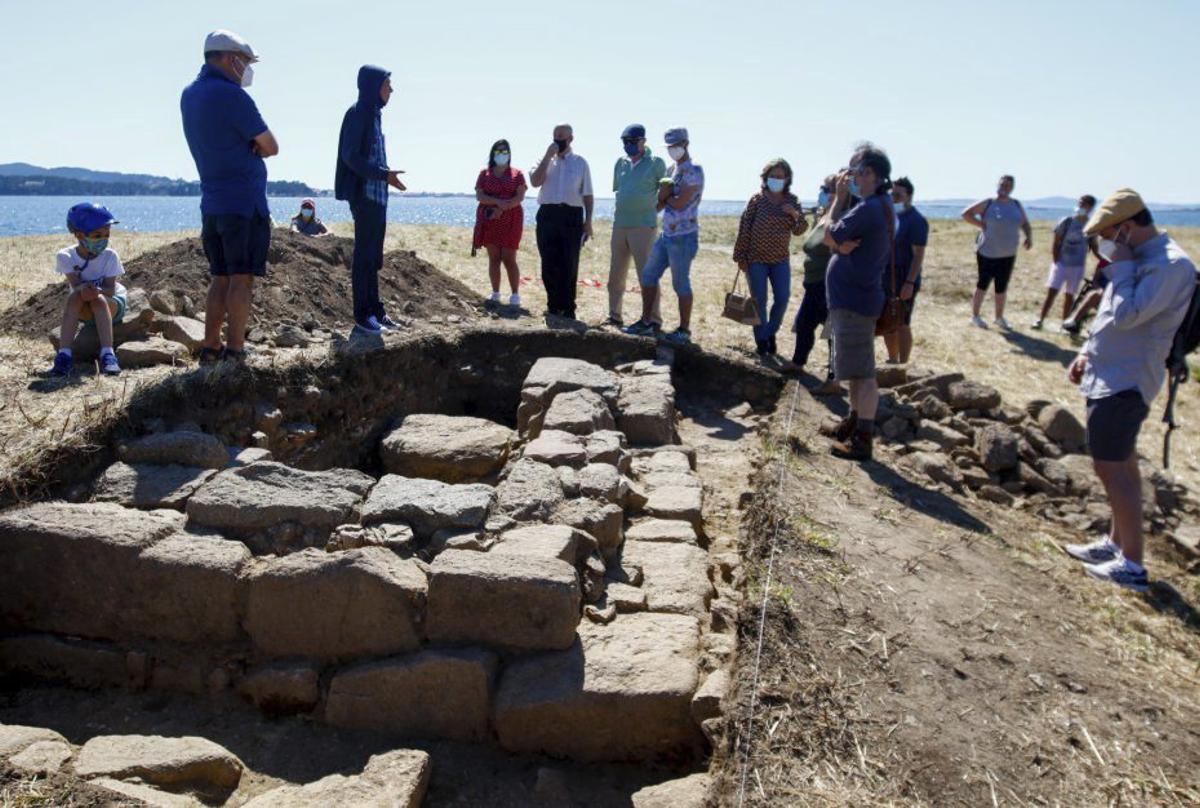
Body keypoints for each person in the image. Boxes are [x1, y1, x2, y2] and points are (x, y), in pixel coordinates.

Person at [1063, 189, 1196, 592]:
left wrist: (1119, 269)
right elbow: (1108, 313)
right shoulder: (1136, 260)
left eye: (1106, 234)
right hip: (1108, 372)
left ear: (1125, 228)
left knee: (1110, 467)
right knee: (1121, 464)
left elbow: (1129, 315)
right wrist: (1086, 351)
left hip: (1128, 379)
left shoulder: (1171, 266)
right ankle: (1115, 543)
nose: (1101, 245)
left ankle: (1133, 566)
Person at [181, 29, 279, 364]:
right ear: (229, 58)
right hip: (243, 202)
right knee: (241, 277)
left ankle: (211, 347)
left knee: (219, 276)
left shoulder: (190, 94)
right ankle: (236, 348)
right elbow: (271, 145)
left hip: (212, 202)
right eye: (245, 62)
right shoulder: (233, 96)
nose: (247, 69)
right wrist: (253, 146)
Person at [822, 142, 895, 461]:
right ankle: (852, 424)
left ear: (873, 174)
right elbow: (836, 240)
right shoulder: (877, 205)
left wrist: (837, 201)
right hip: (854, 299)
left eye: (856, 172)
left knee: (863, 373)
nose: (851, 177)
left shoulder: (869, 208)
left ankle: (863, 440)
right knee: (854, 370)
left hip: (855, 301)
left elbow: (829, 235)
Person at [335, 64, 406, 335]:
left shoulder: (374, 114)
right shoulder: (358, 113)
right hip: (364, 194)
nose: (391, 90)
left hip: (378, 195)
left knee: (374, 256)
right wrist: (383, 174)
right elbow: (350, 156)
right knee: (364, 255)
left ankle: (376, 311)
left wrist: (386, 179)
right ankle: (362, 316)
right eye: (388, 84)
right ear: (373, 86)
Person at [625, 127, 704, 345]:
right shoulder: (670, 171)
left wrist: (666, 196)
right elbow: (658, 205)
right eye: (669, 146)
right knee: (648, 276)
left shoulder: (694, 170)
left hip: (684, 236)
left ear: (685, 144)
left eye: (675, 146)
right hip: (666, 234)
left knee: (680, 283)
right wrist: (665, 197)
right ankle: (646, 321)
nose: (672, 150)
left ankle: (684, 330)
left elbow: (680, 202)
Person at [732, 158, 807, 363]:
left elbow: (800, 230)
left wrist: (794, 214)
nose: (776, 179)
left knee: (782, 299)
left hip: (780, 260)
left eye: (780, 176)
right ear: (766, 178)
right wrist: (740, 256)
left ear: (787, 178)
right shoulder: (757, 199)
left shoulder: (792, 200)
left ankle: (770, 331)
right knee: (759, 302)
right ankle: (762, 342)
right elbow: (744, 227)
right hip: (756, 259)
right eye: (773, 176)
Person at [48, 203, 126, 377]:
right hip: (83, 305)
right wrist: (84, 288)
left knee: (98, 299)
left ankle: (108, 354)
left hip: (112, 304)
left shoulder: (110, 256)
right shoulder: (65, 256)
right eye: (98, 235)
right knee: (75, 297)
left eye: (107, 235)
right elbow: (76, 285)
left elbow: (110, 290)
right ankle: (64, 355)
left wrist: (95, 290)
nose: (104, 240)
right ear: (79, 234)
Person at [530, 123, 593, 320]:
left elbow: (588, 194)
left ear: (570, 139)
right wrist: (548, 156)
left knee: (569, 262)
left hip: (571, 215)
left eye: (562, 137)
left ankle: (568, 307)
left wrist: (588, 220)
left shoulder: (580, 163)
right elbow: (535, 181)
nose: (558, 140)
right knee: (549, 261)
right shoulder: (544, 160)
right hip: (548, 214)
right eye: (555, 136)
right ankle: (553, 305)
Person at [608, 124, 666, 327]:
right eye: (625, 142)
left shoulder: (656, 163)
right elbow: (620, 191)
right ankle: (614, 316)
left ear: (643, 141)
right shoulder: (620, 163)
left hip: (644, 227)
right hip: (620, 225)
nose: (629, 145)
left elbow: (666, 192)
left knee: (647, 276)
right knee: (616, 275)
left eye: (633, 141)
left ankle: (652, 319)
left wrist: (651, 211)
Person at [961, 174, 1032, 330]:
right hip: (987, 252)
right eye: (1002, 185)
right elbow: (966, 213)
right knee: (983, 284)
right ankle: (975, 316)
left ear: (1012, 188)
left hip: (1008, 253)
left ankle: (999, 317)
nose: (1004, 188)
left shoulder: (1016, 204)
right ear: (997, 185)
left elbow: (1025, 223)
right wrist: (981, 224)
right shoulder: (989, 203)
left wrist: (1028, 236)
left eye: (1007, 186)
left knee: (1001, 286)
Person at [792, 175, 838, 380]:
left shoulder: (841, 217)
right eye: (823, 188)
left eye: (827, 189)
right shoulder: (822, 215)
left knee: (832, 332)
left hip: (829, 284)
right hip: (813, 283)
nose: (823, 192)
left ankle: (833, 378)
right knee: (804, 324)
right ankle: (797, 363)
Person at [473, 139, 526, 307]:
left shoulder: (517, 174)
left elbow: (519, 197)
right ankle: (495, 292)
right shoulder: (484, 174)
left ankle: (515, 294)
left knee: (509, 258)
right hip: (490, 220)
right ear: (493, 153)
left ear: (509, 154)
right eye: (498, 151)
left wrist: (503, 208)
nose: (501, 155)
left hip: (511, 219)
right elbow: (480, 196)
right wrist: (496, 203)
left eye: (505, 151)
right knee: (494, 257)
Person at [1034, 195, 1098, 330]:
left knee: (1070, 296)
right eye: (1080, 203)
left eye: (1084, 204)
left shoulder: (1091, 226)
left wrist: (1104, 260)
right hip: (1062, 264)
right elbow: (1056, 242)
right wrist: (1056, 261)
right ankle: (1040, 319)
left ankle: (1064, 324)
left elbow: (1094, 246)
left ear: (1090, 207)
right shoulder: (1066, 221)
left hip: (1077, 266)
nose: (1081, 206)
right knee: (1051, 293)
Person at [884, 177, 929, 364]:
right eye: (891, 194)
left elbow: (918, 255)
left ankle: (903, 364)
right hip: (886, 274)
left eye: (898, 195)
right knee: (888, 319)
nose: (893, 198)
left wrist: (909, 282)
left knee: (902, 321)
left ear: (909, 196)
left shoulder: (916, 220)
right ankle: (892, 360)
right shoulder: (889, 217)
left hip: (904, 276)